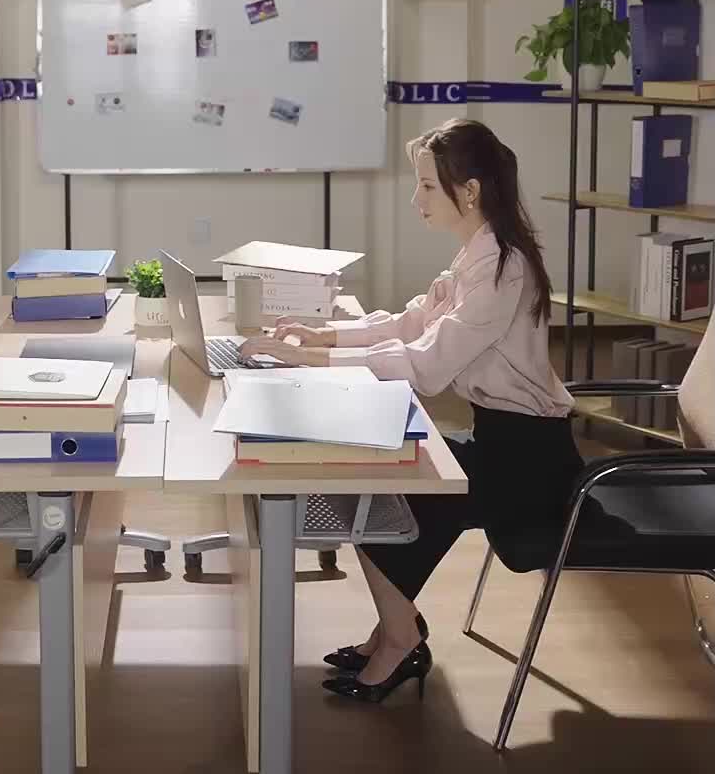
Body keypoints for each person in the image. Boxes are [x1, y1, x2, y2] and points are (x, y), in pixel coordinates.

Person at [238, 119, 581, 707]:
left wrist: (311, 360)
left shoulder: (503, 268)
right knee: (374, 488)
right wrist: (321, 336)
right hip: (501, 441)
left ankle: (400, 638)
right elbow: (411, 322)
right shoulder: (478, 255)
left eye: (426, 186)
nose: (415, 198)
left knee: (381, 496)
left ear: (469, 191)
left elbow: (425, 363)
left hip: (530, 464)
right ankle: (395, 631)